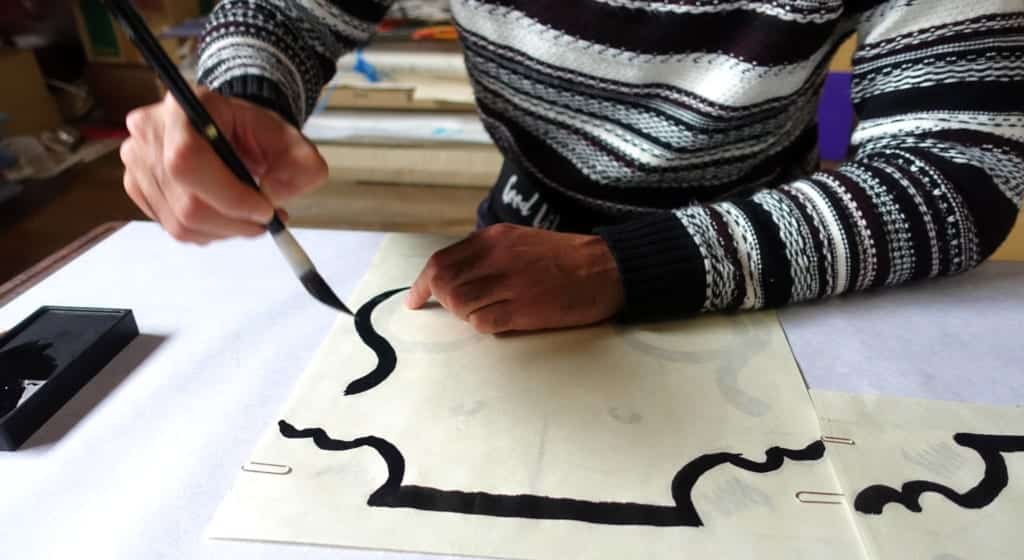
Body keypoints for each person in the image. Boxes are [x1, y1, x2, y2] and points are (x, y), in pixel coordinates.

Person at [120, 1, 1024, 334]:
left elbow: (962, 170)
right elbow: (287, 11)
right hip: (514, 249)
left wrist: (623, 268)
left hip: (780, 277)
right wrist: (238, 97)